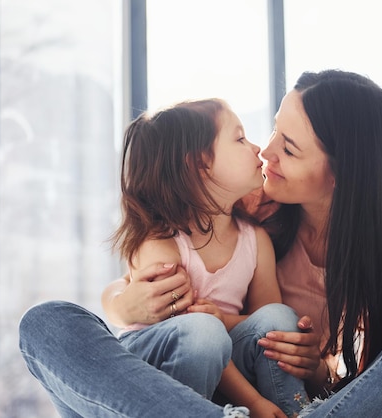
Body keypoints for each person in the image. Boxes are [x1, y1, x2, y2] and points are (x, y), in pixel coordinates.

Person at [19, 69, 382, 418]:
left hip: (288, 402)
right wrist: (124, 306)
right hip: (177, 395)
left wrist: (317, 368)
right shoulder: (247, 203)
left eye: (288, 146)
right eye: (271, 132)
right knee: (48, 323)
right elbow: (139, 288)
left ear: (340, 173)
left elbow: (375, 387)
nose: (264, 153)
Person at [113, 98, 308, 418]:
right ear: (199, 163)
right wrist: (255, 402)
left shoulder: (254, 239)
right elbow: (198, 336)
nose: (257, 148)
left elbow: (265, 323)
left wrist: (227, 320)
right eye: (240, 139)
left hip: (223, 361)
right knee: (204, 333)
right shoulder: (160, 245)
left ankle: (297, 412)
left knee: (278, 319)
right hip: (159, 369)